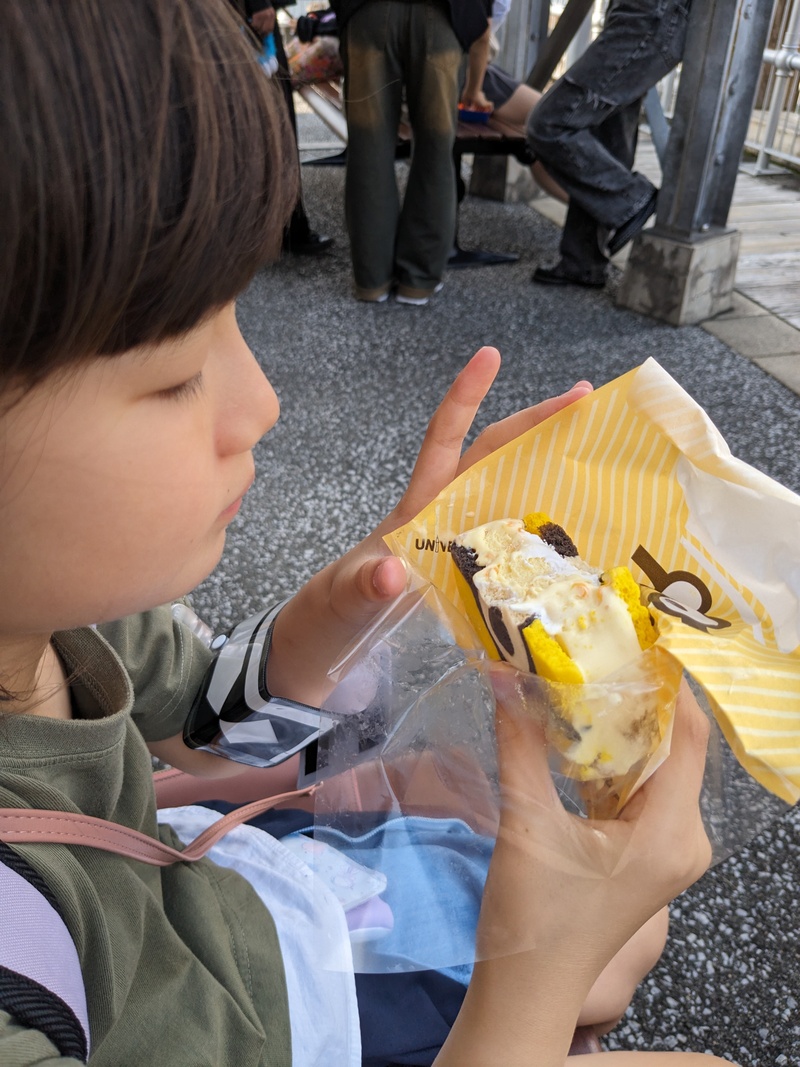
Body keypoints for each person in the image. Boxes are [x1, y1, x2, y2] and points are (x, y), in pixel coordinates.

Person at [0, 2, 733, 1065]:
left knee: (630, 928)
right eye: (176, 374)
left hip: (210, 922)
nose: (262, 403)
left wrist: (372, 575)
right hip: (260, 1018)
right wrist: (535, 970)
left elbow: (209, 721)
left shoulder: (60, 618)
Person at [526, 0, 692, 289]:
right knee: (605, 133)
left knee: (550, 123)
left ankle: (632, 198)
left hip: (651, 14)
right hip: (644, 13)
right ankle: (583, 261)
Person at [333, 0, 489, 304]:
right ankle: (418, 279)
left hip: (367, 11)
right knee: (435, 149)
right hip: (444, 13)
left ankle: (372, 280)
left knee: (368, 147)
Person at [234, 0, 334, 255]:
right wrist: (258, 3)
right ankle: (285, 225)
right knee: (274, 124)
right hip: (245, 15)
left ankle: (282, 224)